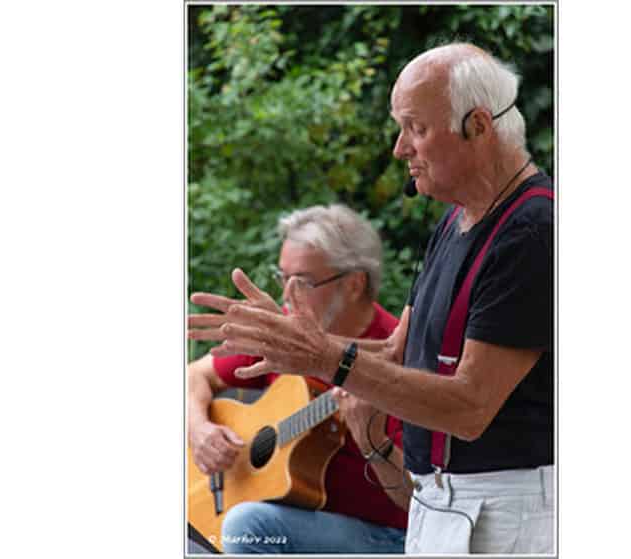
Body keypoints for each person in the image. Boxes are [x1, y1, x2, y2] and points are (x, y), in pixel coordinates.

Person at [189, 42, 554, 554]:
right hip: (448, 510)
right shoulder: (457, 218)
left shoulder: (532, 231)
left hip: (505, 513)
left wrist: (323, 356)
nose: (399, 148)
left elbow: (471, 406)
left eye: (416, 128)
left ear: (478, 126)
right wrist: (298, 341)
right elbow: (398, 352)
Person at [186, 204, 409, 554]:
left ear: (354, 284)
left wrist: (372, 439)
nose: (286, 295)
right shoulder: (289, 333)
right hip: (289, 514)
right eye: (282, 277)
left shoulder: (399, 356)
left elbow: (419, 498)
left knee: (247, 526)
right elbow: (194, 374)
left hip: (385, 536)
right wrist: (198, 428)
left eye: (302, 281)